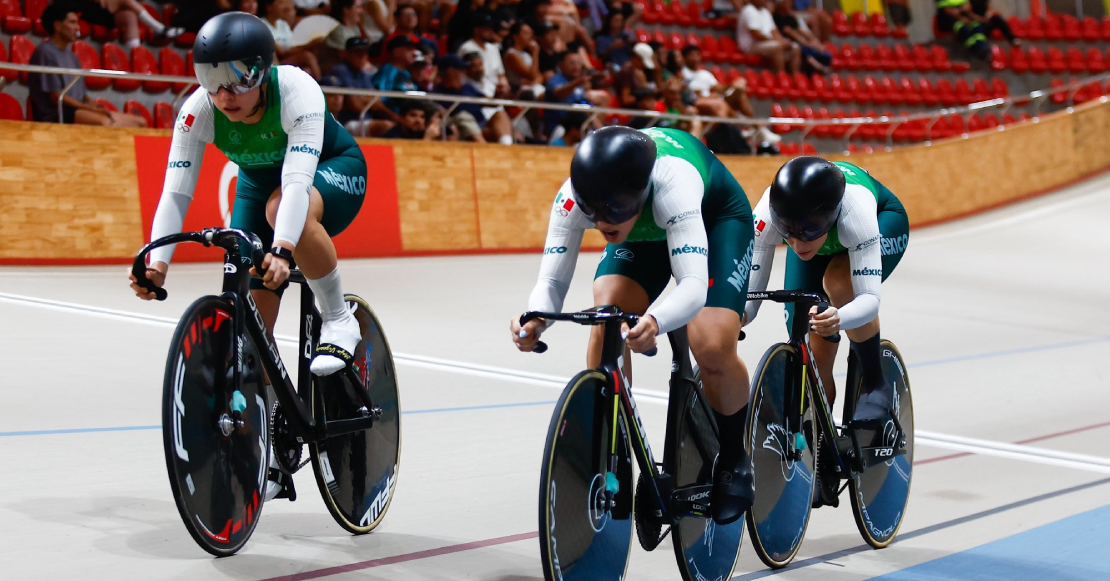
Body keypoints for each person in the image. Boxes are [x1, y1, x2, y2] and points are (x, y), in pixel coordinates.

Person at [129, 13, 370, 501]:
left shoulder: (298, 91)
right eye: (209, 79)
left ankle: (338, 316)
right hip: (261, 184)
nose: (223, 93)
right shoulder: (198, 112)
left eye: (236, 77)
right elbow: (175, 195)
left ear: (262, 71)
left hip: (331, 169)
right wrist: (157, 264)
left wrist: (282, 249)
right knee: (251, 318)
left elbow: (298, 183)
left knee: (285, 210)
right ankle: (272, 433)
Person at [510, 126, 757, 526]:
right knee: (606, 318)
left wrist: (656, 322)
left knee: (710, 343)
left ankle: (733, 457)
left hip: (714, 219)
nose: (604, 223)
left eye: (615, 210)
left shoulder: (673, 183)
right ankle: (613, 448)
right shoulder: (572, 198)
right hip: (646, 232)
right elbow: (552, 281)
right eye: (595, 213)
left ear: (639, 194)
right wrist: (536, 317)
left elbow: (693, 286)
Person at [743, 157, 909, 503]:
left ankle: (875, 384)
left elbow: (869, 299)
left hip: (883, 221)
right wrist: (735, 319)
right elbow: (749, 300)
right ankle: (823, 440)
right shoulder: (768, 216)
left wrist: (842, 319)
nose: (797, 242)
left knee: (838, 282)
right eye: (788, 231)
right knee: (807, 339)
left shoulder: (856, 216)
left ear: (830, 218)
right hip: (827, 240)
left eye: (807, 231)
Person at [28, 5, 147, 127]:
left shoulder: (72, 56)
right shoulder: (45, 52)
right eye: (72, 22)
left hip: (78, 109)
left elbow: (81, 94)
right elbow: (56, 97)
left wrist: (92, 104)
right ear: (57, 25)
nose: (77, 28)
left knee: (140, 123)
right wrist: (89, 109)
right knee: (104, 123)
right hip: (57, 113)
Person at [435, 54, 515, 143]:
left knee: (500, 115)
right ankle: (483, 147)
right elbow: (441, 114)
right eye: (459, 69)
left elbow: (489, 103)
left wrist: (498, 93)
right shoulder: (438, 93)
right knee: (464, 116)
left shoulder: (467, 88)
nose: (463, 72)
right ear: (449, 71)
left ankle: (506, 145)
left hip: (481, 124)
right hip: (462, 130)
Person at [65, 0, 183, 49]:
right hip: (85, 9)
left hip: (105, 12)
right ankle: (160, 28)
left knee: (129, 15)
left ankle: (136, 54)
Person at [544, 51, 608, 136]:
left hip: (580, 127)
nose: (576, 67)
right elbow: (559, 93)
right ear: (560, 65)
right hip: (561, 128)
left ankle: (602, 134)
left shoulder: (579, 82)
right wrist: (576, 83)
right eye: (571, 63)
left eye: (578, 63)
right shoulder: (555, 80)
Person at [261, 0, 323, 79]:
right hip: (276, 62)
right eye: (280, 3)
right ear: (269, 7)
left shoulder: (282, 24)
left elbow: (293, 45)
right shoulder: (262, 25)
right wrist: (310, 45)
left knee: (307, 68)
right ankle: (321, 84)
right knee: (307, 56)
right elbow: (282, 52)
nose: (285, 7)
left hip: (291, 58)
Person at [737, 0, 800, 74]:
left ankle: (796, 77)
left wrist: (783, 40)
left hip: (766, 43)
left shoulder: (765, 12)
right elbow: (756, 35)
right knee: (777, 47)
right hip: (751, 45)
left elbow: (774, 31)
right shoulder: (748, 10)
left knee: (795, 47)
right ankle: (781, 76)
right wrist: (777, 41)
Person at [771, 0, 832, 75]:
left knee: (826, 55)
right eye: (788, 2)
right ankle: (815, 67)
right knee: (801, 49)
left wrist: (816, 42)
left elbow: (801, 31)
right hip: (790, 42)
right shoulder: (777, 17)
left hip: (800, 43)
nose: (791, 4)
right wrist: (806, 43)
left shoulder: (791, 17)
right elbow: (790, 32)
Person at [503, 21, 546, 98]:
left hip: (532, 87)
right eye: (526, 33)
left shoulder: (526, 54)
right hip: (519, 91)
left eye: (530, 33)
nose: (530, 37)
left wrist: (533, 81)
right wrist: (535, 53)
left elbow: (540, 76)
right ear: (515, 36)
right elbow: (531, 76)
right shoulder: (511, 54)